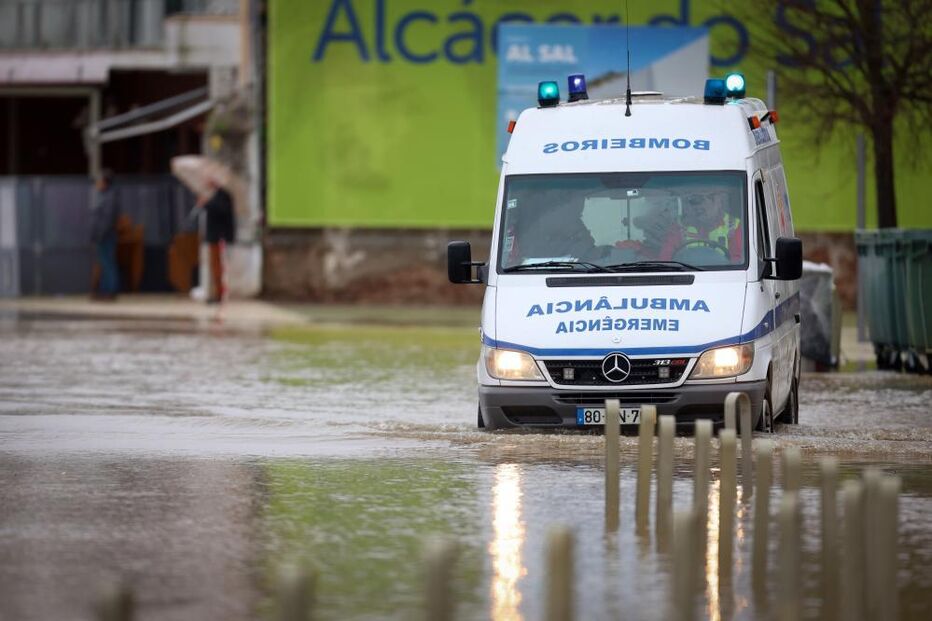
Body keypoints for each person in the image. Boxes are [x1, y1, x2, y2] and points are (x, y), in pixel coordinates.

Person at [660, 188, 743, 262]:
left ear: (717, 201)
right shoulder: (680, 227)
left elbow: (737, 263)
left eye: (700, 200)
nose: (696, 206)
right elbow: (666, 261)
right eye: (692, 201)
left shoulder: (734, 227)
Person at [196, 179, 236, 303]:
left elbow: (222, 210)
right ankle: (216, 293)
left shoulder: (223, 195)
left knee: (219, 266)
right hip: (213, 237)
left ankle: (220, 294)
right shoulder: (214, 195)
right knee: (214, 266)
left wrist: (206, 204)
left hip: (219, 237)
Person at [89, 169, 120, 300]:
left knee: (108, 262)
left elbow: (107, 219)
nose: (97, 184)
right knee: (103, 262)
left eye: (100, 181)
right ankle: (104, 290)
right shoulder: (103, 195)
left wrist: (100, 234)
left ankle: (110, 290)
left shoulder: (109, 197)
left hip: (106, 234)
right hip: (102, 234)